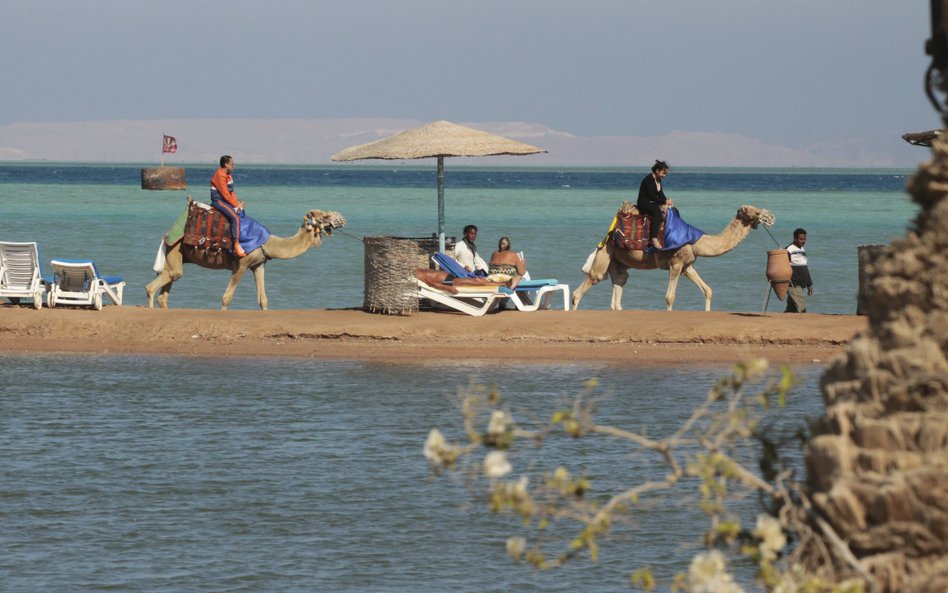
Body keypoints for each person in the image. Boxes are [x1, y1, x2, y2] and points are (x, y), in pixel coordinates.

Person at [210, 155, 246, 257]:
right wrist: (235, 204)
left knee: (240, 212)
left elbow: (232, 192)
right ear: (226, 165)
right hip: (219, 201)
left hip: (226, 200)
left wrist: (238, 204)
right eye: (231, 164)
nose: (233, 166)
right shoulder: (220, 175)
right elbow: (225, 194)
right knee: (235, 218)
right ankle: (236, 244)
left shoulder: (228, 174)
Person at [636, 160, 673, 250]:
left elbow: (660, 194)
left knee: (672, 211)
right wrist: (664, 201)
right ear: (657, 170)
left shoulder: (658, 180)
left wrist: (667, 201)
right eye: (663, 173)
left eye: (665, 173)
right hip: (644, 202)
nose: (664, 175)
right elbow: (651, 195)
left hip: (653, 202)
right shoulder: (648, 179)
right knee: (657, 213)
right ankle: (653, 238)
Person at [785, 228, 813, 313]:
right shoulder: (788, 249)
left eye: (804, 239)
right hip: (793, 284)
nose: (803, 241)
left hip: (801, 284)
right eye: (801, 239)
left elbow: (804, 269)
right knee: (802, 308)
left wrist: (809, 284)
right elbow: (784, 267)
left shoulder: (802, 250)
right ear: (795, 238)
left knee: (791, 310)